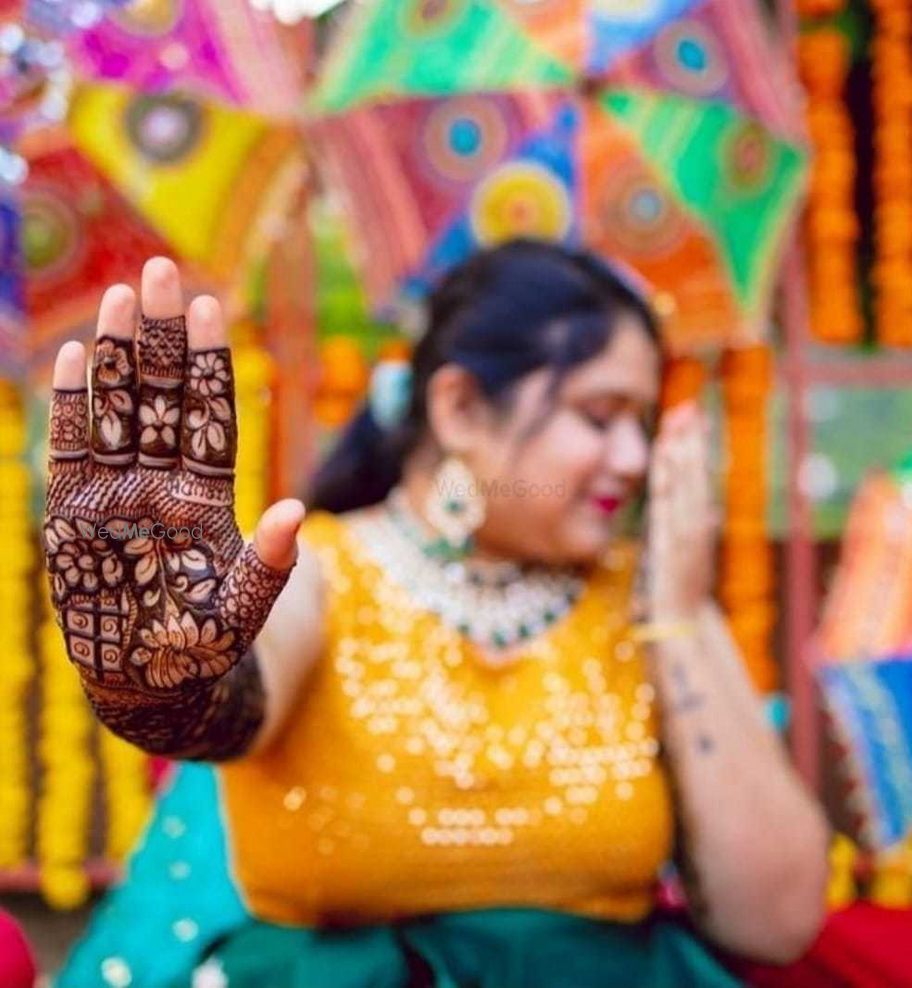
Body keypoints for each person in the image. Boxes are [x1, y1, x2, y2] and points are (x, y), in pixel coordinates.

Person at [46, 241, 829, 987]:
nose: (632, 457)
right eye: (599, 416)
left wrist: (679, 617)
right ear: (458, 408)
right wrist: (155, 683)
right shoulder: (326, 569)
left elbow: (778, 921)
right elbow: (219, 706)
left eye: (643, 424)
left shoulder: (649, 598)